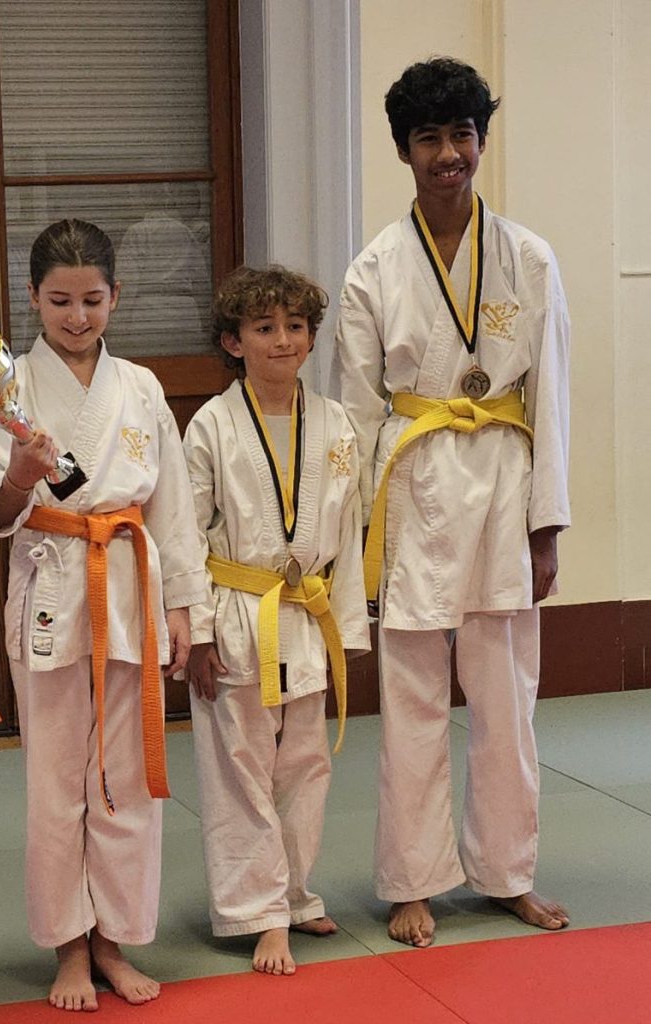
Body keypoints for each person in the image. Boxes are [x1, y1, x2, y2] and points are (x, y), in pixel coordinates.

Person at [334, 57, 571, 948]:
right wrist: (354, 532)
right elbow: (355, 415)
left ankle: (508, 872)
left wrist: (548, 525)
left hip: (505, 485)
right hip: (413, 485)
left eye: (462, 135)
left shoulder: (528, 258)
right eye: (429, 138)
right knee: (412, 700)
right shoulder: (373, 270)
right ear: (404, 150)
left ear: (481, 140)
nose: (448, 154)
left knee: (507, 697)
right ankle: (413, 879)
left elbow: (552, 396)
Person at [0, 218, 207, 1012]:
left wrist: (182, 607)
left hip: (129, 582)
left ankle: (115, 940)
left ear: (115, 297)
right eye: (60, 300)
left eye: (92, 300)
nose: (76, 316)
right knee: (57, 782)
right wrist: (17, 477)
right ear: (33, 297)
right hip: (53, 586)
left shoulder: (140, 387)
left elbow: (173, 510)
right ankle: (68, 945)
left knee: (126, 780)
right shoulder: (5, 392)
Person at [183, 265, 370, 975]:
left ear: (312, 337)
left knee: (305, 764)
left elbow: (346, 533)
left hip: (310, 614)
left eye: (295, 326)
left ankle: (294, 893)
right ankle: (258, 913)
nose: (282, 339)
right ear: (233, 342)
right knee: (241, 769)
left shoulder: (336, 423)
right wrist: (197, 633)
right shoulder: (211, 424)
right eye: (264, 328)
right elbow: (185, 535)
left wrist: (348, 628)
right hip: (238, 613)